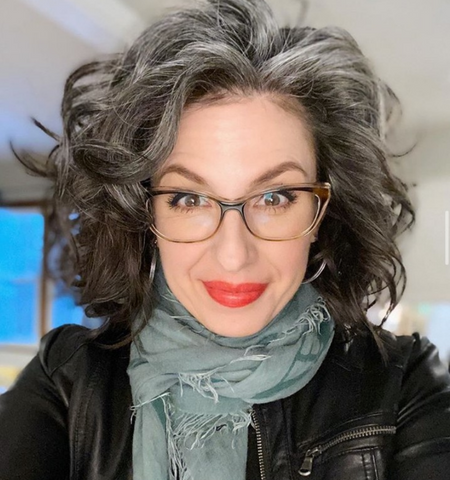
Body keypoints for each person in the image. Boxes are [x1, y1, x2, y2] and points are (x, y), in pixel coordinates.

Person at [1, 0, 450, 479]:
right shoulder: (68, 386)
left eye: (275, 197)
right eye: (189, 200)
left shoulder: (402, 388)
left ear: (322, 212)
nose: (234, 256)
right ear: (144, 210)